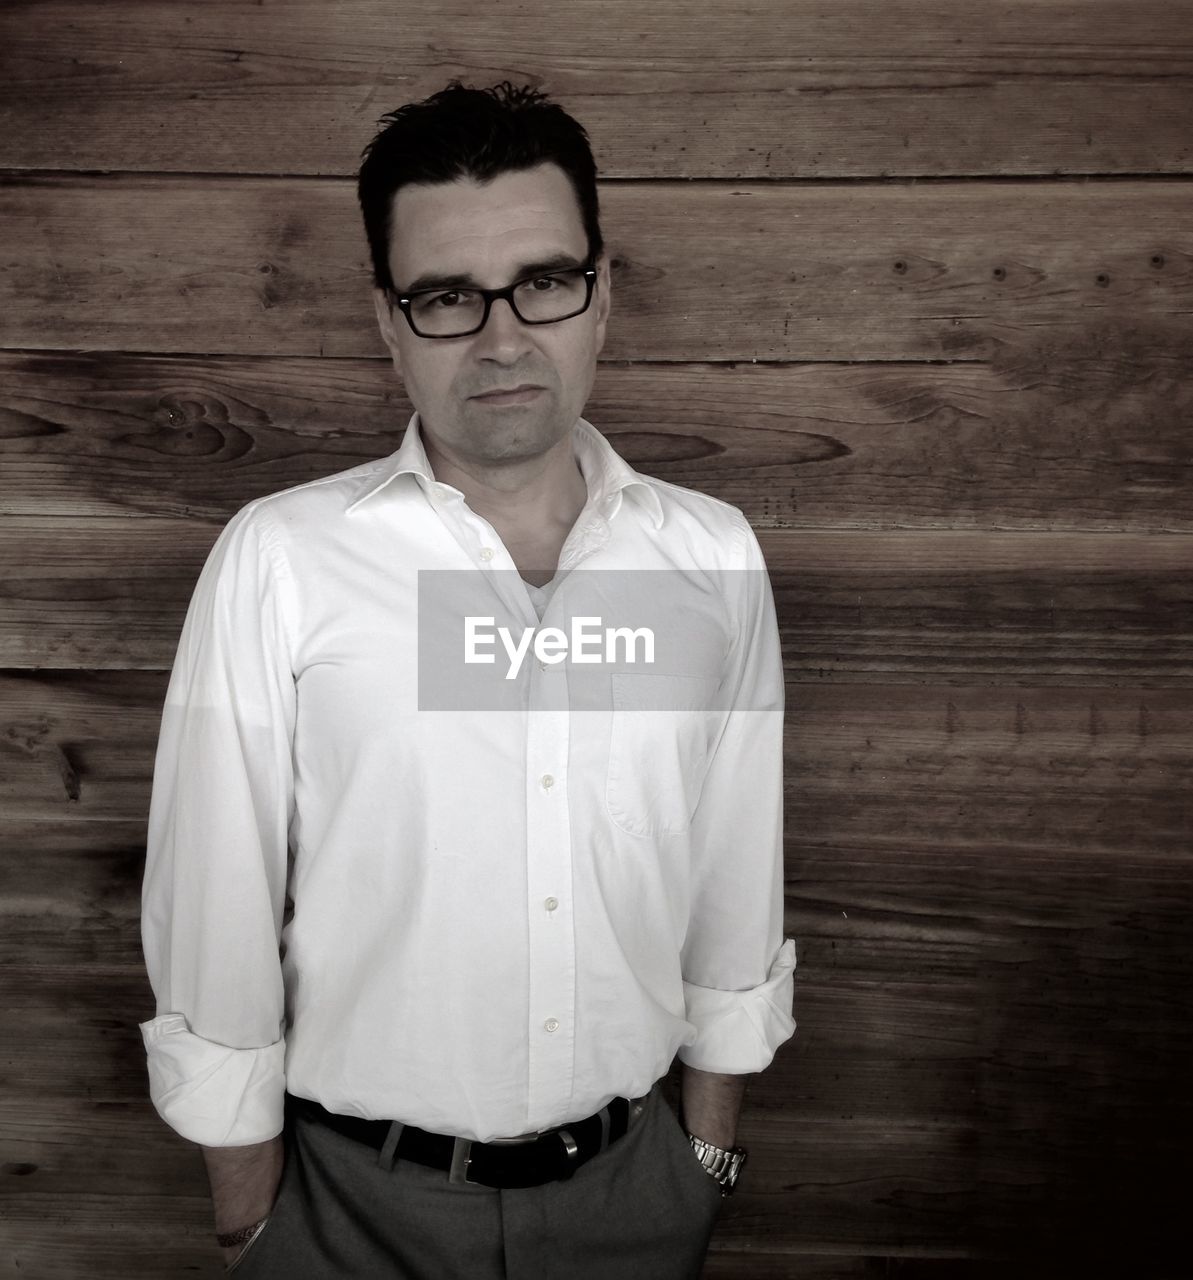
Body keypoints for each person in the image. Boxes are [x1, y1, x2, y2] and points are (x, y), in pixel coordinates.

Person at [139, 80, 796, 1279]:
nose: (502, 338)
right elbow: (216, 906)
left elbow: (732, 880)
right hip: (347, 1216)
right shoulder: (283, 560)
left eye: (542, 282)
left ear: (603, 293)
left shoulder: (708, 558)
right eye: (446, 297)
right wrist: (254, 1225)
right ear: (388, 319)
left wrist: (701, 1158)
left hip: (634, 1200)